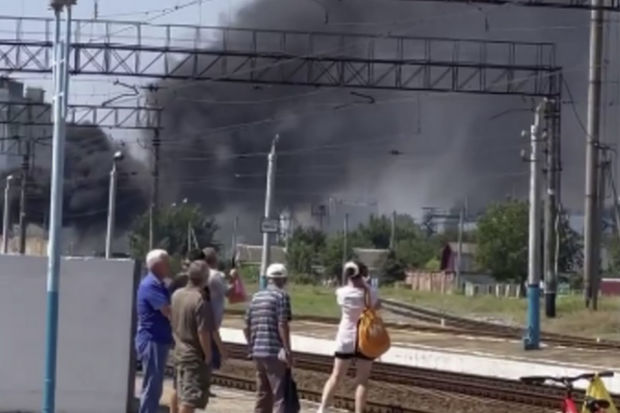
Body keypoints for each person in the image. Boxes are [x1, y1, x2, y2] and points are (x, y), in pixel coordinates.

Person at [317, 260, 380, 413]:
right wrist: (366, 286)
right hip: (365, 338)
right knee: (362, 380)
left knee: (336, 375)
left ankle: (323, 408)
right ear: (362, 273)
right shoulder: (371, 291)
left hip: (345, 337)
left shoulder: (341, 293)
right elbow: (377, 306)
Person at [244, 263, 293, 413]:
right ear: (283, 279)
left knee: (262, 394)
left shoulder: (256, 296)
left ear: (269, 279)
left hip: (258, 352)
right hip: (274, 353)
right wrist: (287, 349)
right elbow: (282, 324)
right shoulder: (282, 296)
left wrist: (252, 346)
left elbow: (246, 326)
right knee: (280, 395)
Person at [170, 260, 215, 413]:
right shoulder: (200, 300)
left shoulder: (176, 295)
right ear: (205, 277)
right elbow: (203, 332)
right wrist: (208, 355)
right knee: (189, 399)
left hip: (178, 351)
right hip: (193, 356)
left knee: (178, 390)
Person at [136, 249, 174, 413]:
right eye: (166, 261)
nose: (169, 265)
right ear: (158, 265)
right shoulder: (151, 285)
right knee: (152, 384)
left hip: (158, 339)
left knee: (155, 384)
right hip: (153, 339)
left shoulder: (158, 284)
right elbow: (167, 310)